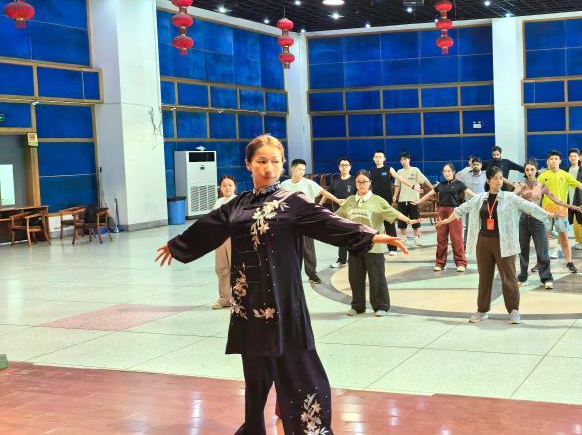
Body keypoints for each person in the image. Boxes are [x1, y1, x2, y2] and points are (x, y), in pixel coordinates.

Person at [155, 134, 407, 435]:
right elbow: (210, 225)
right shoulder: (238, 204)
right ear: (248, 164)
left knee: (299, 369)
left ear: (283, 164)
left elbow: (328, 222)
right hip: (248, 304)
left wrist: (371, 235)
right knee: (255, 373)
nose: (269, 168)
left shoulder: (293, 202)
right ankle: (253, 428)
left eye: (275, 162)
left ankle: (309, 430)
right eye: (261, 161)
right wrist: (178, 245)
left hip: (283, 303)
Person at [435, 167, 554, 324]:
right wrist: (446, 220)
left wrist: (547, 214)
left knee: (509, 277)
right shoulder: (480, 198)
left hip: (504, 242)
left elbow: (529, 206)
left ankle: (513, 311)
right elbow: (461, 209)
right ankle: (482, 310)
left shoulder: (509, 197)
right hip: (484, 242)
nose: (499, 181)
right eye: (496, 178)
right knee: (484, 277)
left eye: (501, 178)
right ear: (488, 180)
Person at [337, 171, 422, 317]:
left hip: (374, 246)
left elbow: (393, 212)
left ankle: (381, 306)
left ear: (370, 183)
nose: (361, 185)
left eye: (364, 181)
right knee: (355, 278)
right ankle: (357, 306)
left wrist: (409, 220)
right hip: (355, 246)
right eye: (358, 182)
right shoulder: (350, 200)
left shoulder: (378, 200)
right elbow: (336, 216)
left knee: (377, 278)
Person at [515, 158, 580, 289]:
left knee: (542, 251)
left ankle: (546, 278)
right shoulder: (520, 185)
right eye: (527, 170)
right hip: (523, 221)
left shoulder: (542, 186)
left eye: (532, 169)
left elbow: (556, 199)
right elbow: (511, 200)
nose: (529, 172)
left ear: (536, 170)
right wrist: (516, 190)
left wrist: (572, 206)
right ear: (525, 171)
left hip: (538, 221)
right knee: (523, 251)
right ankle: (522, 277)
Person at [539, 150, 582, 273]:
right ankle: (544, 259)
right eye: (551, 159)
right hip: (551, 210)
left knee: (568, 234)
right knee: (545, 237)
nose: (553, 161)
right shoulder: (545, 175)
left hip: (570, 207)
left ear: (560, 161)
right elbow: (536, 191)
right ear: (548, 161)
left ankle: (580, 256)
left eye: (556, 159)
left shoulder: (569, 174)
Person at [280, 158, 344, 284]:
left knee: (308, 249)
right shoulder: (284, 184)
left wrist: (337, 200)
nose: (301, 172)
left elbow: (324, 192)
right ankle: (293, 274)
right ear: (292, 169)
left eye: (303, 170)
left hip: (306, 220)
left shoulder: (308, 183)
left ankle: (312, 274)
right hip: (290, 221)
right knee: (292, 248)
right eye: (299, 169)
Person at [415, 163, 476, 272]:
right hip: (441, 211)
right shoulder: (440, 185)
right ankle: (440, 263)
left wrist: (483, 197)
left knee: (456, 238)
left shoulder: (459, 184)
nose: (446, 173)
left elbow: (471, 193)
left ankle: (461, 263)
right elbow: (429, 194)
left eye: (448, 171)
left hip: (455, 212)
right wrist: (419, 201)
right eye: (444, 171)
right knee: (441, 238)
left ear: (453, 172)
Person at [369, 150, 419, 256]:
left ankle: (393, 249)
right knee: (374, 226)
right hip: (375, 202)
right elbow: (367, 186)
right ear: (373, 159)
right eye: (376, 157)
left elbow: (400, 179)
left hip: (387, 202)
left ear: (384, 159)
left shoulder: (389, 169)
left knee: (389, 226)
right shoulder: (371, 171)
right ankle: (372, 248)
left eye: (380, 157)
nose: (378, 159)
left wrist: (412, 186)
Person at [322, 157, 356, 268]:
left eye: (346, 165)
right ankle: (342, 260)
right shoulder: (335, 181)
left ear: (350, 167)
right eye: (342, 165)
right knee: (342, 236)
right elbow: (326, 194)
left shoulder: (354, 180)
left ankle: (355, 259)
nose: (344, 167)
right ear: (339, 167)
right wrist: (318, 205)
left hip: (353, 213)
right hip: (339, 213)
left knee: (353, 236)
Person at [393, 152, 433, 247]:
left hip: (414, 200)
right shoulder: (399, 172)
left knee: (415, 220)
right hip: (402, 200)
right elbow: (397, 185)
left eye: (405, 159)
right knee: (402, 221)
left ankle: (416, 239)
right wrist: (395, 196)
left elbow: (424, 179)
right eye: (401, 160)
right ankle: (404, 239)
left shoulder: (415, 170)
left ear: (409, 159)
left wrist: (433, 188)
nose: (403, 161)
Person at [211, 175, 237, 310]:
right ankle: (224, 298)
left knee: (236, 268)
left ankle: (238, 298)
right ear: (220, 188)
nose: (227, 188)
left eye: (230, 185)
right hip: (220, 239)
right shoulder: (218, 202)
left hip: (234, 238)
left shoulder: (239, 201)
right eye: (224, 185)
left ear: (235, 187)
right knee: (221, 268)